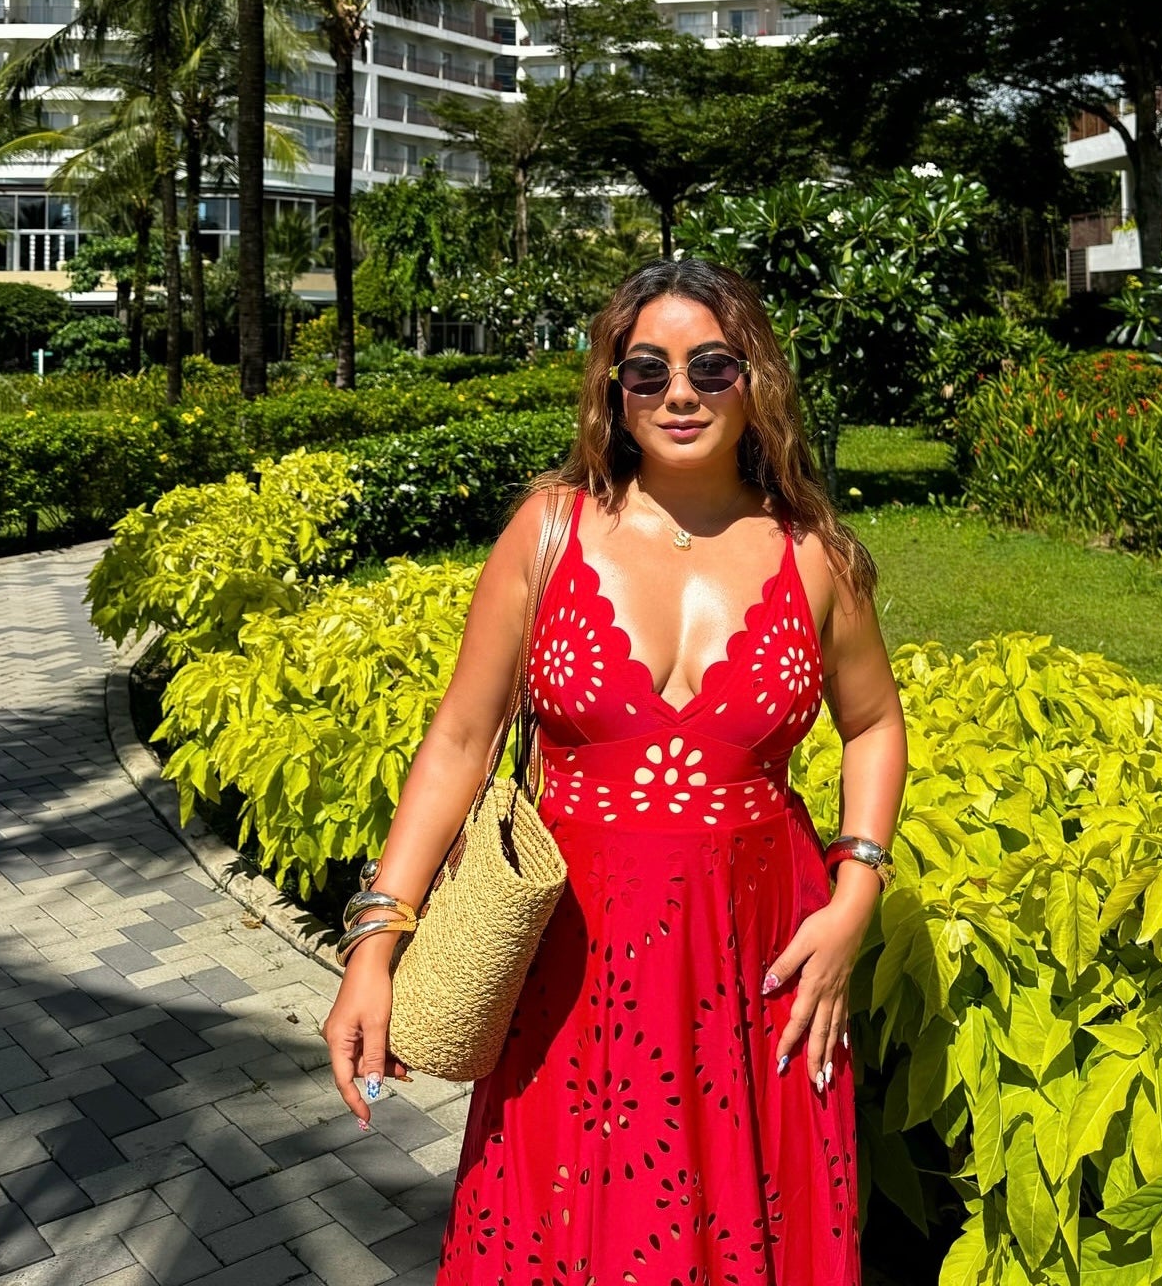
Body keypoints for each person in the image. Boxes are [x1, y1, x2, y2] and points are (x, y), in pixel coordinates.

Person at [323, 258, 907, 1284]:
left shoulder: (818, 557)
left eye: (710, 366)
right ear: (613, 391)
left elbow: (873, 727)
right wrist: (377, 938)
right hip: (576, 968)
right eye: (648, 371)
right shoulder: (547, 533)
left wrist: (855, 894)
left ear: (755, 379)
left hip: (762, 955)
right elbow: (461, 739)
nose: (679, 393)